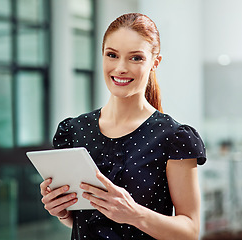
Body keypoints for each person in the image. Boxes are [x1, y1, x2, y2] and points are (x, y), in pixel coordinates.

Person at [40, 13, 206, 240]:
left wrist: (134, 214)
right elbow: (81, 222)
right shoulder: (74, 130)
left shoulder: (173, 137)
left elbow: (190, 231)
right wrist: (61, 211)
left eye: (135, 58)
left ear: (154, 63)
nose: (120, 68)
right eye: (112, 55)